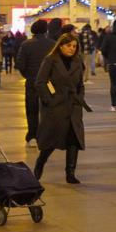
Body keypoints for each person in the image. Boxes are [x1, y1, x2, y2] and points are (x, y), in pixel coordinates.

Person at [33, 32, 88, 185]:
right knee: (51, 140)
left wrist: (80, 98)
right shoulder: (51, 60)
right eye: (69, 46)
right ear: (61, 46)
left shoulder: (77, 61)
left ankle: (70, 173)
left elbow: (80, 84)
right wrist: (49, 100)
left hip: (73, 106)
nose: (72, 49)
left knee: (73, 139)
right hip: (56, 107)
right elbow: (40, 82)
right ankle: (40, 163)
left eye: (74, 46)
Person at [17, 20, 51, 145]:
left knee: (31, 109)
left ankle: (32, 136)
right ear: (45, 30)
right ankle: (46, 135)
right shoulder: (52, 44)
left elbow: (20, 64)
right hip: (48, 82)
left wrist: (28, 75)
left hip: (32, 81)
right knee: (48, 108)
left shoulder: (26, 45)